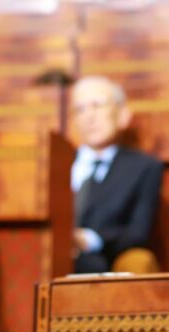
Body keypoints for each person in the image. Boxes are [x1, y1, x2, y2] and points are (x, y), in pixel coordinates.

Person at [69, 76, 162, 273]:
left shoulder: (144, 168)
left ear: (122, 115)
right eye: (81, 109)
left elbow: (138, 232)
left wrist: (90, 239)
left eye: (97, 105)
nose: (89, 116)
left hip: (103, 262)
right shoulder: (58, 163)